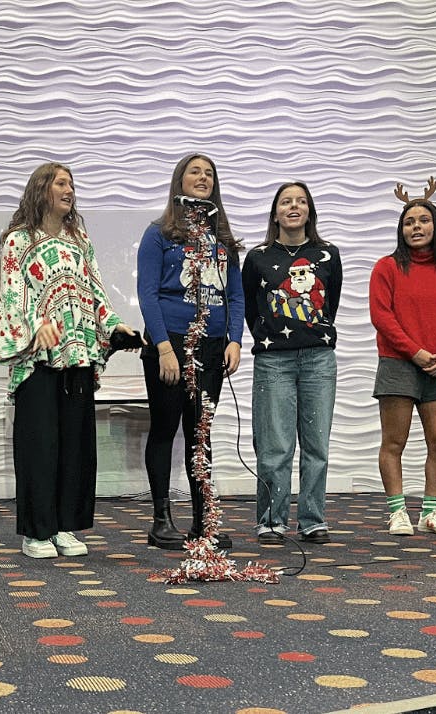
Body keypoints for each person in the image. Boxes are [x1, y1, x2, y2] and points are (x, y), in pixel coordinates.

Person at [0, 162, 140, 559]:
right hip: (39, 358)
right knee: (39, 445)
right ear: (42, 189)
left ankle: (65, 526)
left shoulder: (79, 239)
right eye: (61, 183)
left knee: (74, 445)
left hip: (78, 354)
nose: (69, 189)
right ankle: (36, 532)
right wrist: (32, 328)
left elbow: (94, 290)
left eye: (72, 184)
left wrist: (114, 327)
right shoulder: (18, 240)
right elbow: (11, 293)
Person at [138, 154, 244, 550]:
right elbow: (147, 294)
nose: (203, 178)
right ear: (179, 181)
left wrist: (234, 339)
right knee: (166, 429)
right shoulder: (159, 233)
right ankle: (161, 519)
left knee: (202, 434)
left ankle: (205, 520)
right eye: (194, 172)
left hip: (213, 346)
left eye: (209, 173)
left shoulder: (223, 240)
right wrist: (164, 347)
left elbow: (234, 294)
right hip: (170, 343)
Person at [242, 182, 342, 545]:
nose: (294, 206)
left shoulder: (328, 254)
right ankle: (272, 520)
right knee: (275, 446)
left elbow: (331, 303)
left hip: (318, 359)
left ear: (309, 211)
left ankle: (313, 519)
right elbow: (252, 309)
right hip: (273, 361)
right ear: (275, 212)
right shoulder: (257, 257)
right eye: (286, 202)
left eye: (301, 201)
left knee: (316, 445)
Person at [369, 188, 436, 536]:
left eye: (424, 220)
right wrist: (415, 352)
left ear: (435, 226)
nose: (416, 227)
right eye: (409, 222)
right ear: (401, 229)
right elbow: (382, 316)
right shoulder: (387, 267)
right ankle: (397, 512)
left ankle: (432, 512)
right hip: (399, 363)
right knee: (394, 442)